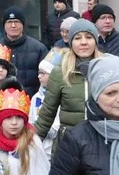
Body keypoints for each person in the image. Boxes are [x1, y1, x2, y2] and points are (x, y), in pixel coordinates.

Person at [34, 20, 103, 152]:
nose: (83, 42)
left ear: (95, 41)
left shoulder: (107, 67)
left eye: (88, 37)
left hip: (100, 143)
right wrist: (31, 146)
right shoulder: (60, 72)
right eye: (77, 38)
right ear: (71, 42)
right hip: (69, 145)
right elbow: (46, 114)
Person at [0, 6, 49, 97]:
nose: (13, 25)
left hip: (30, 103)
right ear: (4, 25)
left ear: (23, 24)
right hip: (2, 104)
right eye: (9, 22)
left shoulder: (39, 49)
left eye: (17, 22)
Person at [30, 54, 61, 159]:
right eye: (39, 73)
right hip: (36, 149)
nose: (39, 76)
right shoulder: (36, 97)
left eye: (43, 73)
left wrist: (39, 127)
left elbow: (56, 129)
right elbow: (30, 120)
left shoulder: (61, 98)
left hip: (53, 150)